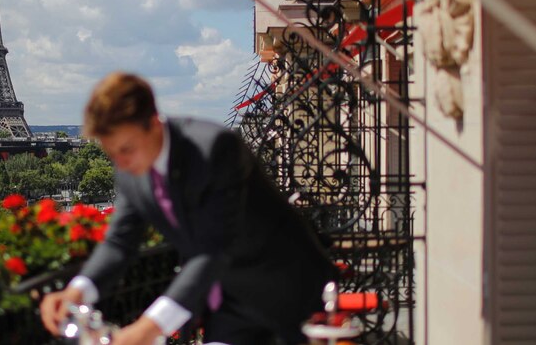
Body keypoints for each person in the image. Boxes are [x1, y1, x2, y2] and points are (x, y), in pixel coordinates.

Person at [40, 72, 336, 345]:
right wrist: (77, 291)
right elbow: (120, 242)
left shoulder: (215, 148)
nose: (121, 163)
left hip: (287, 291)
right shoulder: (129, 167)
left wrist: (146, 329)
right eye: (111, 152)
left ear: (154, 122)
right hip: (228, 303)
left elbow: (213, 250)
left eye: (127, 149)